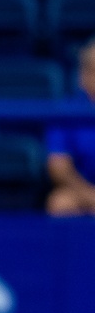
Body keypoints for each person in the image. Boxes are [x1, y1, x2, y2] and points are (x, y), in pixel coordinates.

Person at [46, 38, 95, 216]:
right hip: (83, 190)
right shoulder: (66, 112)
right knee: (60, 203)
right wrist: (90, 196)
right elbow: (58, 166)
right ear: (83, 75)